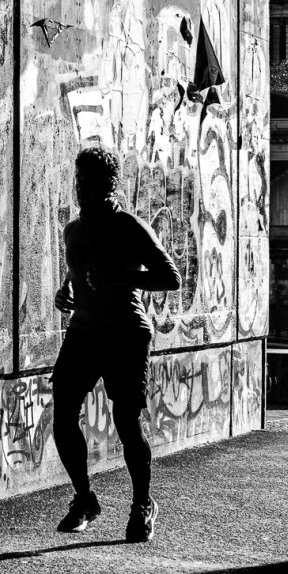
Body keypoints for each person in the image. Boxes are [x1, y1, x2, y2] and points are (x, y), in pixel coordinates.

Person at [51, 145, 181, 542]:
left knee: (126, 422)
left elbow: (171, 278)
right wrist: (65, 293)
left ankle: (143, 504)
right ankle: (84, 498)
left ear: (110, 186)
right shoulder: (73, 229)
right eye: (79, 181)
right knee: (62, 410)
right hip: (85, 330)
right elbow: (78, 276)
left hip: (126, 333)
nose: (82, 189)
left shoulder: (129, 226)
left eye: (91, 182)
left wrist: (122, 276)